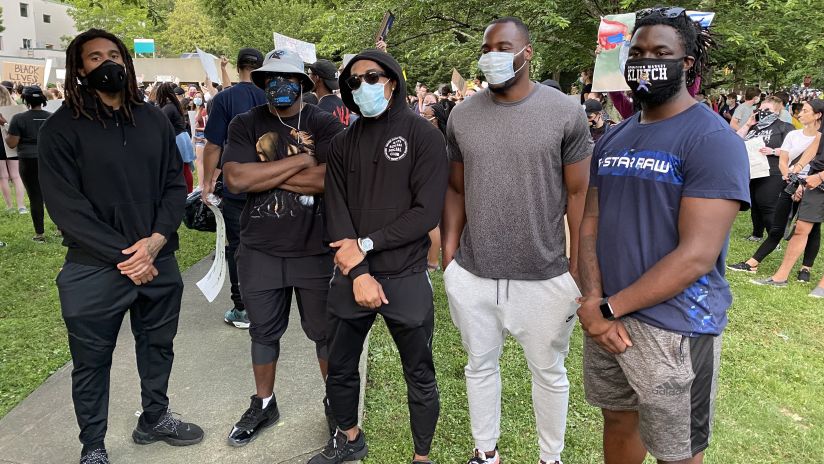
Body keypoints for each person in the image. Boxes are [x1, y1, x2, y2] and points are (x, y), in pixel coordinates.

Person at [577, 8, 749, 464]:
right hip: (607, 316)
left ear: (687, 62)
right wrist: (593, 301)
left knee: (678, 451)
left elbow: (697, 255)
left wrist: (610, 308)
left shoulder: (712, 139)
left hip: (676, 326)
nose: (644, 60)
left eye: (660, 52)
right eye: (636, 52)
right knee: (617, 419)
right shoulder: (615, 137)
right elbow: (590, 222)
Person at [38, 28, 203, 464]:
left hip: (158, 259)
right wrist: (128, 256)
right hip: (94, 267)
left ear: (127, 63)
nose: (107, 63)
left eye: (114, 55)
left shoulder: (152, 120)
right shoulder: (61, 129)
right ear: (79, 68)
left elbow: (175, 184)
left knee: (158, 345)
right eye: (95, 57)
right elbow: (66, 206)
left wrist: (155, 241)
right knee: (91, 363)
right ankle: (93, 446)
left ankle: (154, 417)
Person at [443, 17, 591, 464]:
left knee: (549, 373)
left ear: (527, 52)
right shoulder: (462, 115)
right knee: (479, 367)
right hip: (474, 273)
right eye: (486, 48)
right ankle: (485, 453)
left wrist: (577, 269)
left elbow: (580, 193)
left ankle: (551, 457)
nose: (492, 55)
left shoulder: (566, 111)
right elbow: (455, 188)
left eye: (503, 46)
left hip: (545, 274)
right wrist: (450, 257)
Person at [311, 48, 446, 464]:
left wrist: (366, 246)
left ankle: (421, 456)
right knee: (340, 365)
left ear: (391, 79)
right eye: (353, 81)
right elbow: (336, 211)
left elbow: (426, 212)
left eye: (372, 76)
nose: (363, 86)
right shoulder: (342, 143)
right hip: (353, 276)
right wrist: (360, 272)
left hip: (405, 274)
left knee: (419, 372)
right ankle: (348, 437)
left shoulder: (423, 135)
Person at [221, 49, 345, 447]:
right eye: (270, 78)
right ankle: (264, 402)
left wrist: (267, 176)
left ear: (305, 84)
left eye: (288, 78)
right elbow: (236, 180)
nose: (279, 85)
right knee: (262, 332)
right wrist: (302, 161)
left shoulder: (324, 123)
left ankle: (335, 404)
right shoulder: (245, 123)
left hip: (315, 249)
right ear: (260, 83)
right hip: (259, 249)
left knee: (324, 335)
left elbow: (333, 181)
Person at [201, 47, 266, 329]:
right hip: (271, 182)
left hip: (236, 184)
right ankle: (269, 302)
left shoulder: (224, 99)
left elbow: (213, 144)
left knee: (239, 245)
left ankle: (243, 308)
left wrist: (206, 183)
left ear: (239, 67)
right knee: (269, 242)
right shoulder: (272, 96)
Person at [728, 99, 824, 280]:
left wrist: (805, 182)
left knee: (810, 229)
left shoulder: (819, 136)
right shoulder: (794, 135)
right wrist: (792, 177)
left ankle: (805, 269)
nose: (800, 114)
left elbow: (813, 159)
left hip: (814, 185)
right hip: (791, 181)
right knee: (777, 225)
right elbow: (787, 159)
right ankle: (752, 263)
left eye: (805, 111)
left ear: (818, 115)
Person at [753, 132, 824, 297]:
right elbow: (813, 150)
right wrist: (797, 173)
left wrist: (820, 177)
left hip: (818, 178)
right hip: (815, 182)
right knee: (800, 229)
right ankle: (780, 277)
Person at [736, 96, 795, 244]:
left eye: (767, 109)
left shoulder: (785, 127)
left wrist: (773, 151)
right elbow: (735, 141)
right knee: (754, 203)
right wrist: (748, 124)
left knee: (767, 203)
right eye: (761, 109)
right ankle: (757, 234)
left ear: (777, 111)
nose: (762, 112)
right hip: (753, 170)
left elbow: (795, 151)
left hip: (773, 171)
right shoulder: (755, 127)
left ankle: (774, 239)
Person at [6, 86, 50, 242]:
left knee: (35, 196)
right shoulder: (51, 117)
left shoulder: (19, 118)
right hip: (49, 160)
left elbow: (12, 143)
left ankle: (40, 234)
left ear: (25, 100)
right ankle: (62, 230)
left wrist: (5, 128)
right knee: (54, 194)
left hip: (28, 159)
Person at [156, 82, 196, 193]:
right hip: (182, 137)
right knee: (185, 167)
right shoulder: (174, 105)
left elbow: (160, 123)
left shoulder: (168, 107)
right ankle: (189, 191)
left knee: (183, 168)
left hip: (178, 139)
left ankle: (188, 191)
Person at [0, 85, 27, 213]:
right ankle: (21, 206)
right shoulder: (15, 108)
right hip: (12, 141)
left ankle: (9, 207)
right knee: (16, 175)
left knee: (3, 177)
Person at [308, 59, 352, 126]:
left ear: (317, 78)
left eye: (309, 74)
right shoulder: (344, 104)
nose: (308, 77)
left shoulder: (318, 111)